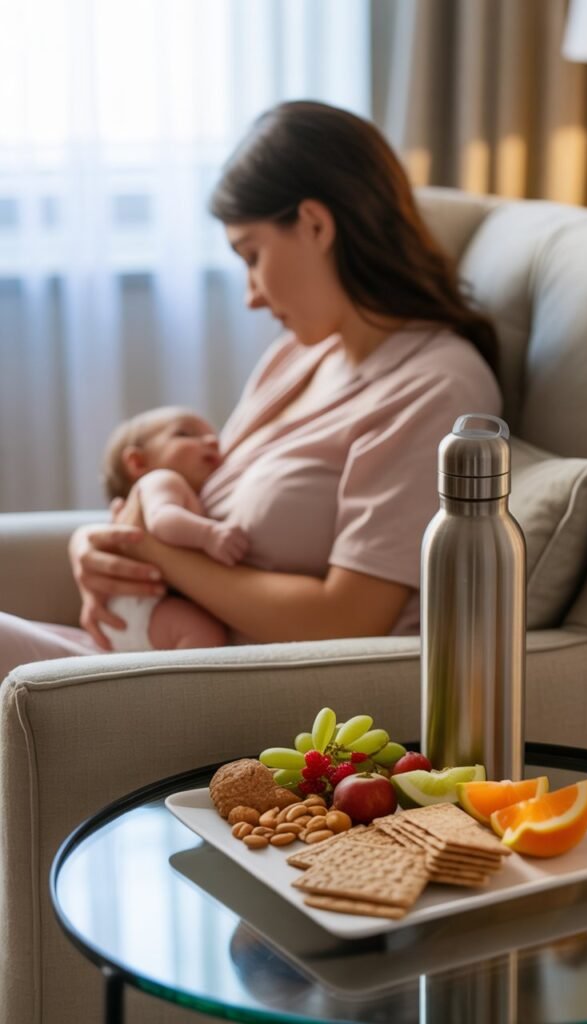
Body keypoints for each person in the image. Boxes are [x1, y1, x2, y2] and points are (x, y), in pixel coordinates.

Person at [0, 99, 501, 677]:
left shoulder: (434, 387)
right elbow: (198, 505)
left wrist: (152, 548)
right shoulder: (297, 357)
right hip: (159, 646)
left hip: (228, 682)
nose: (251, 296)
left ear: (315, 224)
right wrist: (102, 547)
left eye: (252, 255)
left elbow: (346, 618)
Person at [99, 405, 248, 651]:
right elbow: (162, 519)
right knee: (203, 633)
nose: (211, 440)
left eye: (213, 435)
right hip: (142, 607)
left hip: (140, 611)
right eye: (185, 434)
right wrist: (209, 534)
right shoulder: (162, 479)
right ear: (138, 462)